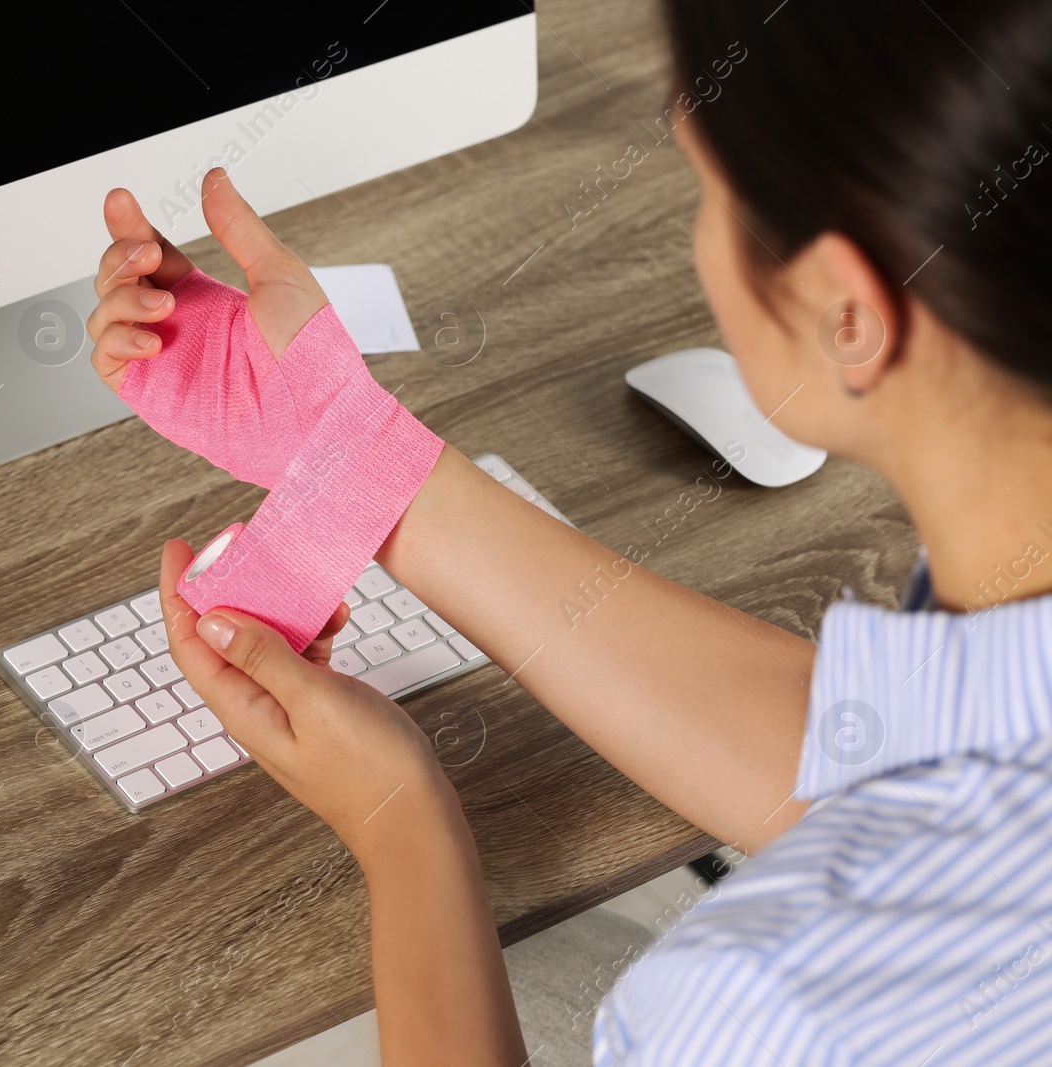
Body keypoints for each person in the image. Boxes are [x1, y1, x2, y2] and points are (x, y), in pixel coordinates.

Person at [84, 0, 1052, 1062]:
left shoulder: (770, 1003)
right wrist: (349, 445)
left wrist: (400, 817)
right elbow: (908, 767)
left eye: (708, 190)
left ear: (845, 311)